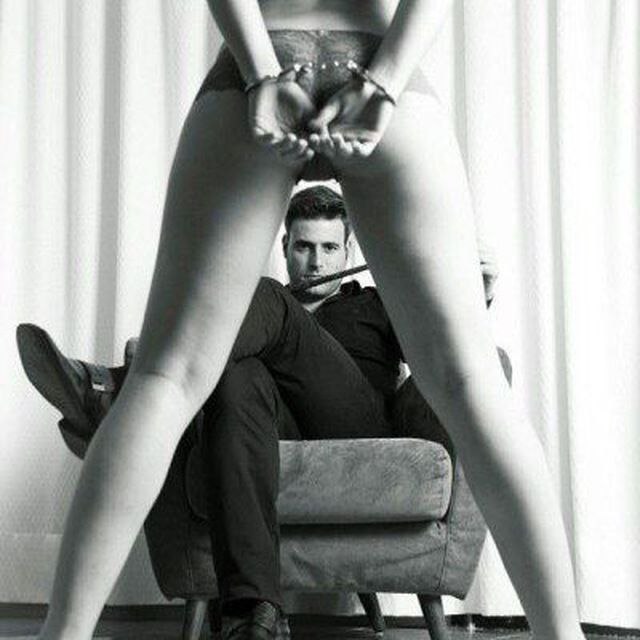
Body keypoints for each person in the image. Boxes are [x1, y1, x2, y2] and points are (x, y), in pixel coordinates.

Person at [27, 2, 586, 639]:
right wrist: (384, 82)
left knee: (167, 380)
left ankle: (106, 408)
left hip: (262, 57)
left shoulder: (362, 303)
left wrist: (261, 73)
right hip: (377, 58)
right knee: (469, 383)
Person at [18, 185, 511, 638]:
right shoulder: (251, 318)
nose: (315, 262)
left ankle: (119, 393)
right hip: (269, 431)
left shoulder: (376, 304)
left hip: (354, 425)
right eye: (304, 247)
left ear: (348, 251)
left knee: (259, 296)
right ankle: (254, 614)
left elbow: (445, 348)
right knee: (237, 374)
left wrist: (478, 294)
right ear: (285, 247)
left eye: (328, 248)